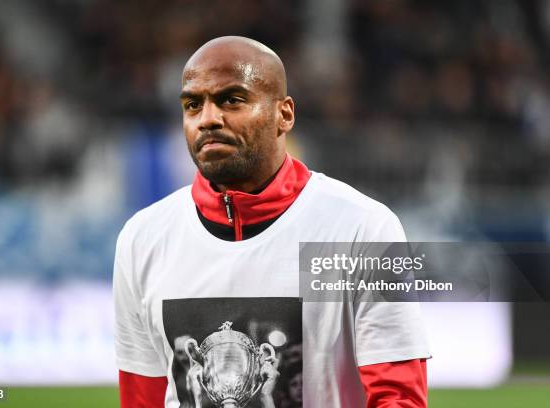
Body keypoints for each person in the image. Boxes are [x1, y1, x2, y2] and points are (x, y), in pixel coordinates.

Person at [113, 36, 430, 408]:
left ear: (285, 114)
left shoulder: (363, 229)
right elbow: (141, 398)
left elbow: (398, 397)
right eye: (192, 104)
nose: (208, 119)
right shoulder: (143, 237)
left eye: (232, 99)